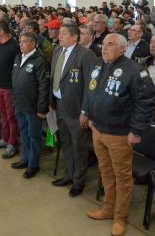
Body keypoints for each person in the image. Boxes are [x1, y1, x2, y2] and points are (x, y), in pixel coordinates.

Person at [80, 34, 155, 236]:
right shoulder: (98, 64)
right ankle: (107, 208)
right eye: (104, 44)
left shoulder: (135, 71)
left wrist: (136, 131)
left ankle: (120, 217)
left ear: (122, 49)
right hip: (98, 129)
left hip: (120, 134)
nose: (104, 48)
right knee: (105, 172)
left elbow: (146, 103)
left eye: (110, 44)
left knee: (122, 177)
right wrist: (85, 112)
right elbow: (90, 90)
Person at [50, 23, 97, 196]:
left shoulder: (86, 54)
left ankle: (79, 181)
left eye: (63, 33)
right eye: (60, 33)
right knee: (66, 143)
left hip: (76, 109)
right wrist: (51, 102)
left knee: (79, 147)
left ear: (75, 37)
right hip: (59, 104)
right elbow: (54, 78)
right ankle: (68, 174)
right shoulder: (57, 51)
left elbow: (90, 87)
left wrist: (85, 111)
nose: (59, 35)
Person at [10, 32, 51, 179]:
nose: (21, 44)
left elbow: (44, 86)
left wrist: (41, 108)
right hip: (20, 103)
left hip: (33, 107)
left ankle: (33, 165)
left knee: (34, 136)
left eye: (25, 42)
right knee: (24, 133)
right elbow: (15, 79)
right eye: (20, 41)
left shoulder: (40, 61)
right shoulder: (19, 57)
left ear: (33, 44)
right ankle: (25, 159)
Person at [0, 19, 20, 158]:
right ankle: (4, 138)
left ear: (2, 31)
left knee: (11, 117)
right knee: (3, 115)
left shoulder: (14, 46)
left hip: (9, 88)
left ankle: (12, 144)